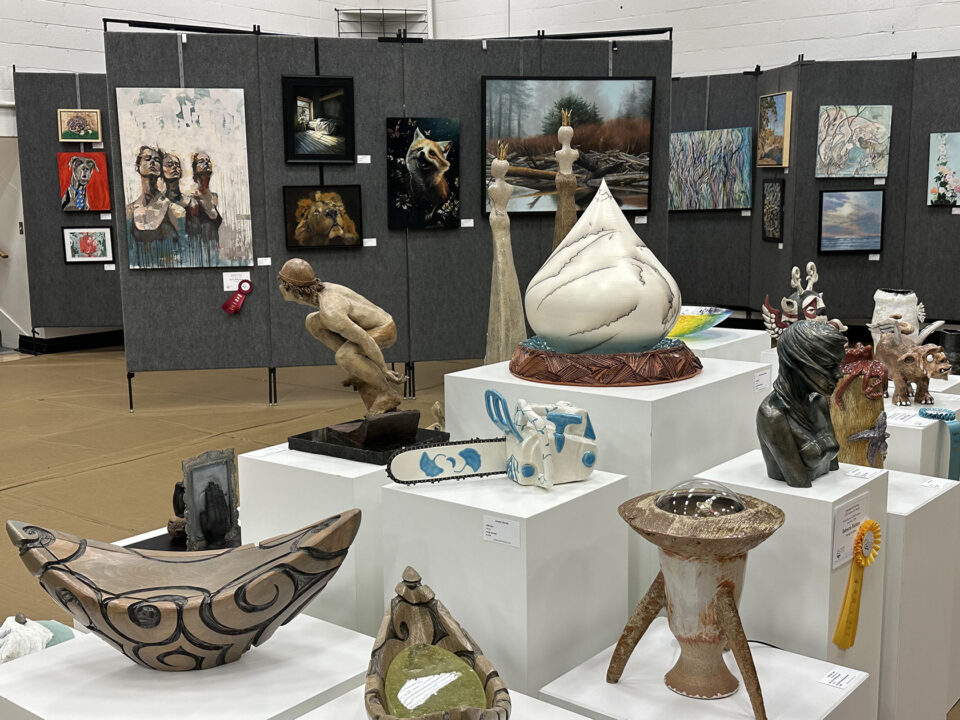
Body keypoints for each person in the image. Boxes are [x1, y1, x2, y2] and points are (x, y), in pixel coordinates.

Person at [277, 258, 405, 414]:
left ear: (294, 291)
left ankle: (388, 393)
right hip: (369, 325)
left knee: (344, 356)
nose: (280, 288)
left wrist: (384, 369)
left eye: (283, 285)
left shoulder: (331, 312)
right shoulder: (322, 290)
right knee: (312, 322)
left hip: (384, 329)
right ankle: (356, 365)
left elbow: (365, 339)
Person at [757, 319, 847, 487]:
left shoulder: (819, 400)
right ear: (796, 364)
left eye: (839, 365)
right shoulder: (772, 415)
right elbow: (798, 481)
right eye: (828, 366)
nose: (839, 374)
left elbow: (833, 467)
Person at [126, 145, 185, 268]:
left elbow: (185, 248)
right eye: (147, 159)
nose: (152, 162)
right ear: (137, 166)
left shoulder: (174, 209)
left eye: (157, 160)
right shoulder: (129, 211)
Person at [190, 152, 223, 266]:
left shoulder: (215, 197)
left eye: (208, 161)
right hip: (199, 252)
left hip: (214, 250)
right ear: (195, 170)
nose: (206, 163)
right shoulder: (193, 198)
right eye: (201, 161)